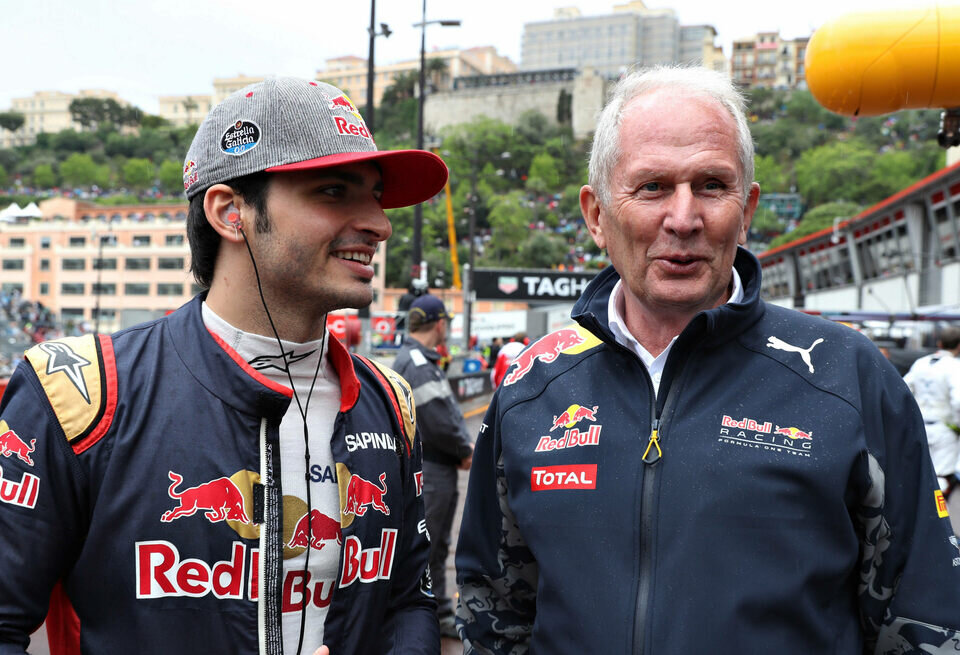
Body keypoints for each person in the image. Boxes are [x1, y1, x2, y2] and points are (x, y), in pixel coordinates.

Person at [455, 66, 960, 654]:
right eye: (652, 187)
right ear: (596, 216)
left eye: (712, 186)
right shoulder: (531, 390)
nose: (684, 218)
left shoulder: (847, 376)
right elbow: (494, 616)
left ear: (746, 211)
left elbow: (924, 618)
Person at [0, 77, 449, 655]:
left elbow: (410, 600)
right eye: (334, 191)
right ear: (230, 211)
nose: (380, 223)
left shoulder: (389, 401)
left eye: (377, 196)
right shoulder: (78, 392)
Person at [391, 295, 473, 639]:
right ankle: (435, 615)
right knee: (432, 544)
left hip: (433, 466)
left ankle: (435, 611)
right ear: (439, 324)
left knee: (434, 544)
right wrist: (465, 449)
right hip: (433, 468)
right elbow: (438, 419)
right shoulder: (419, 363)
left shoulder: (416, 358)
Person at [905, 326, 960, 497]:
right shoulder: (954, 366)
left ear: (939, 342)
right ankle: (939, 519)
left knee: (920, 478)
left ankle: (924, 519)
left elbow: (902, 389)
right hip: (945, 431)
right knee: (942, 481)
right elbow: (958, 401)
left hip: (921, 429)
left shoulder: (921, 363)